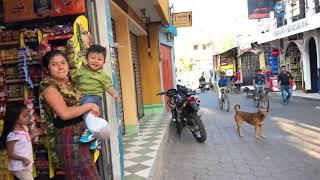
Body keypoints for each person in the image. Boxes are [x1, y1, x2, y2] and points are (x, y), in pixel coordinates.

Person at [40, 50, 100, 179]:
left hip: (81, 135)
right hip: (69, 137)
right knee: (84, 176)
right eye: (54, 64)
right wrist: (88, 106)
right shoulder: (48, 87)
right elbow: (64, 113)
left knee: (86, 174)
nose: (61, 67)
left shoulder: (68, 84)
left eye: (63, 62)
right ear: (47, 69)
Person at [72, 44, 116, 150]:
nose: (96, 61)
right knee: (85, 114)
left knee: (88, 113)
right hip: (81, 96)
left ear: (103, 62)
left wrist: (114, 94)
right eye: (92, 58)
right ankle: (96, 137)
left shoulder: (102, 76)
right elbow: (74, 80)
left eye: (99, 59)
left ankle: (90, 132)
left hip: (93, 97)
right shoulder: (81, 70)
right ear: (87, 59)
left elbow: (108, 86)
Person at [0, 102, 43, 180]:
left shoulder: (24, 128)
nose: (28, 117)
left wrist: (34, 134)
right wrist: (23, 159)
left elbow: (24, 141)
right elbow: (10, 154)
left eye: (28, 114)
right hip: (19, 167)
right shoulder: (13, 135)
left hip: (25, 165)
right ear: (15, 118)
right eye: (24, 116)